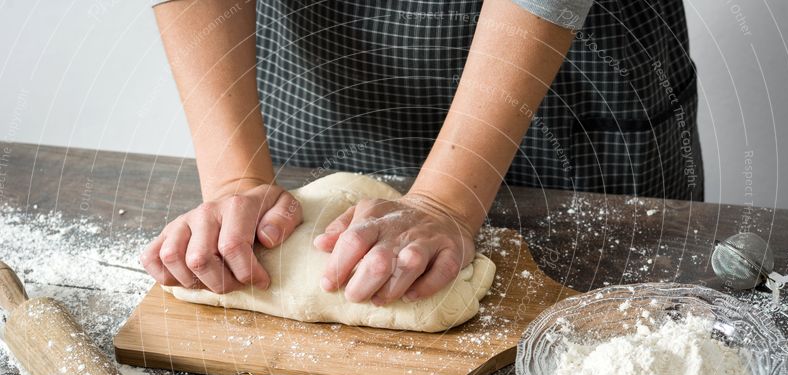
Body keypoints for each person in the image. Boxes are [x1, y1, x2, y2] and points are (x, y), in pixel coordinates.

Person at [140, 0, 702, 305]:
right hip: (323, 72)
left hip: (555, 76)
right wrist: (235, 179)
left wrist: (449, 200)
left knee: (623, 325)